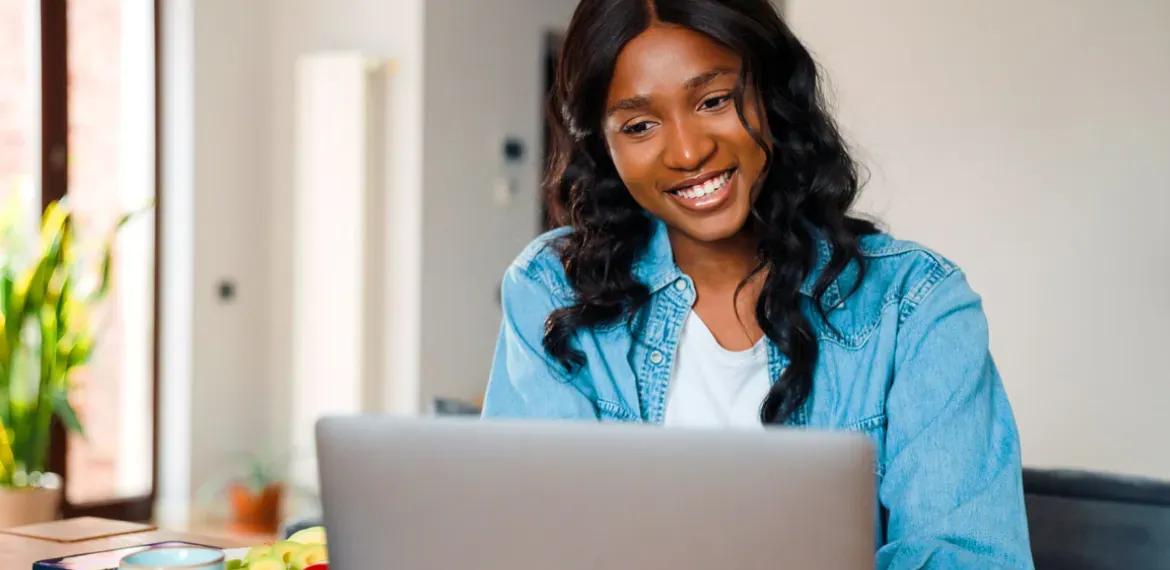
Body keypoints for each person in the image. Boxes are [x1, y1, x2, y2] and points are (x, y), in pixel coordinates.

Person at [481, 0, 1034, 567]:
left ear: (771, 94)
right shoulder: (551, 289)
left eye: (714, 100)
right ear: (604, 144)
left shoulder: (915, 305)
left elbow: (969, 559)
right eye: (640, 125)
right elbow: (531, 544)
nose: (690, 151)